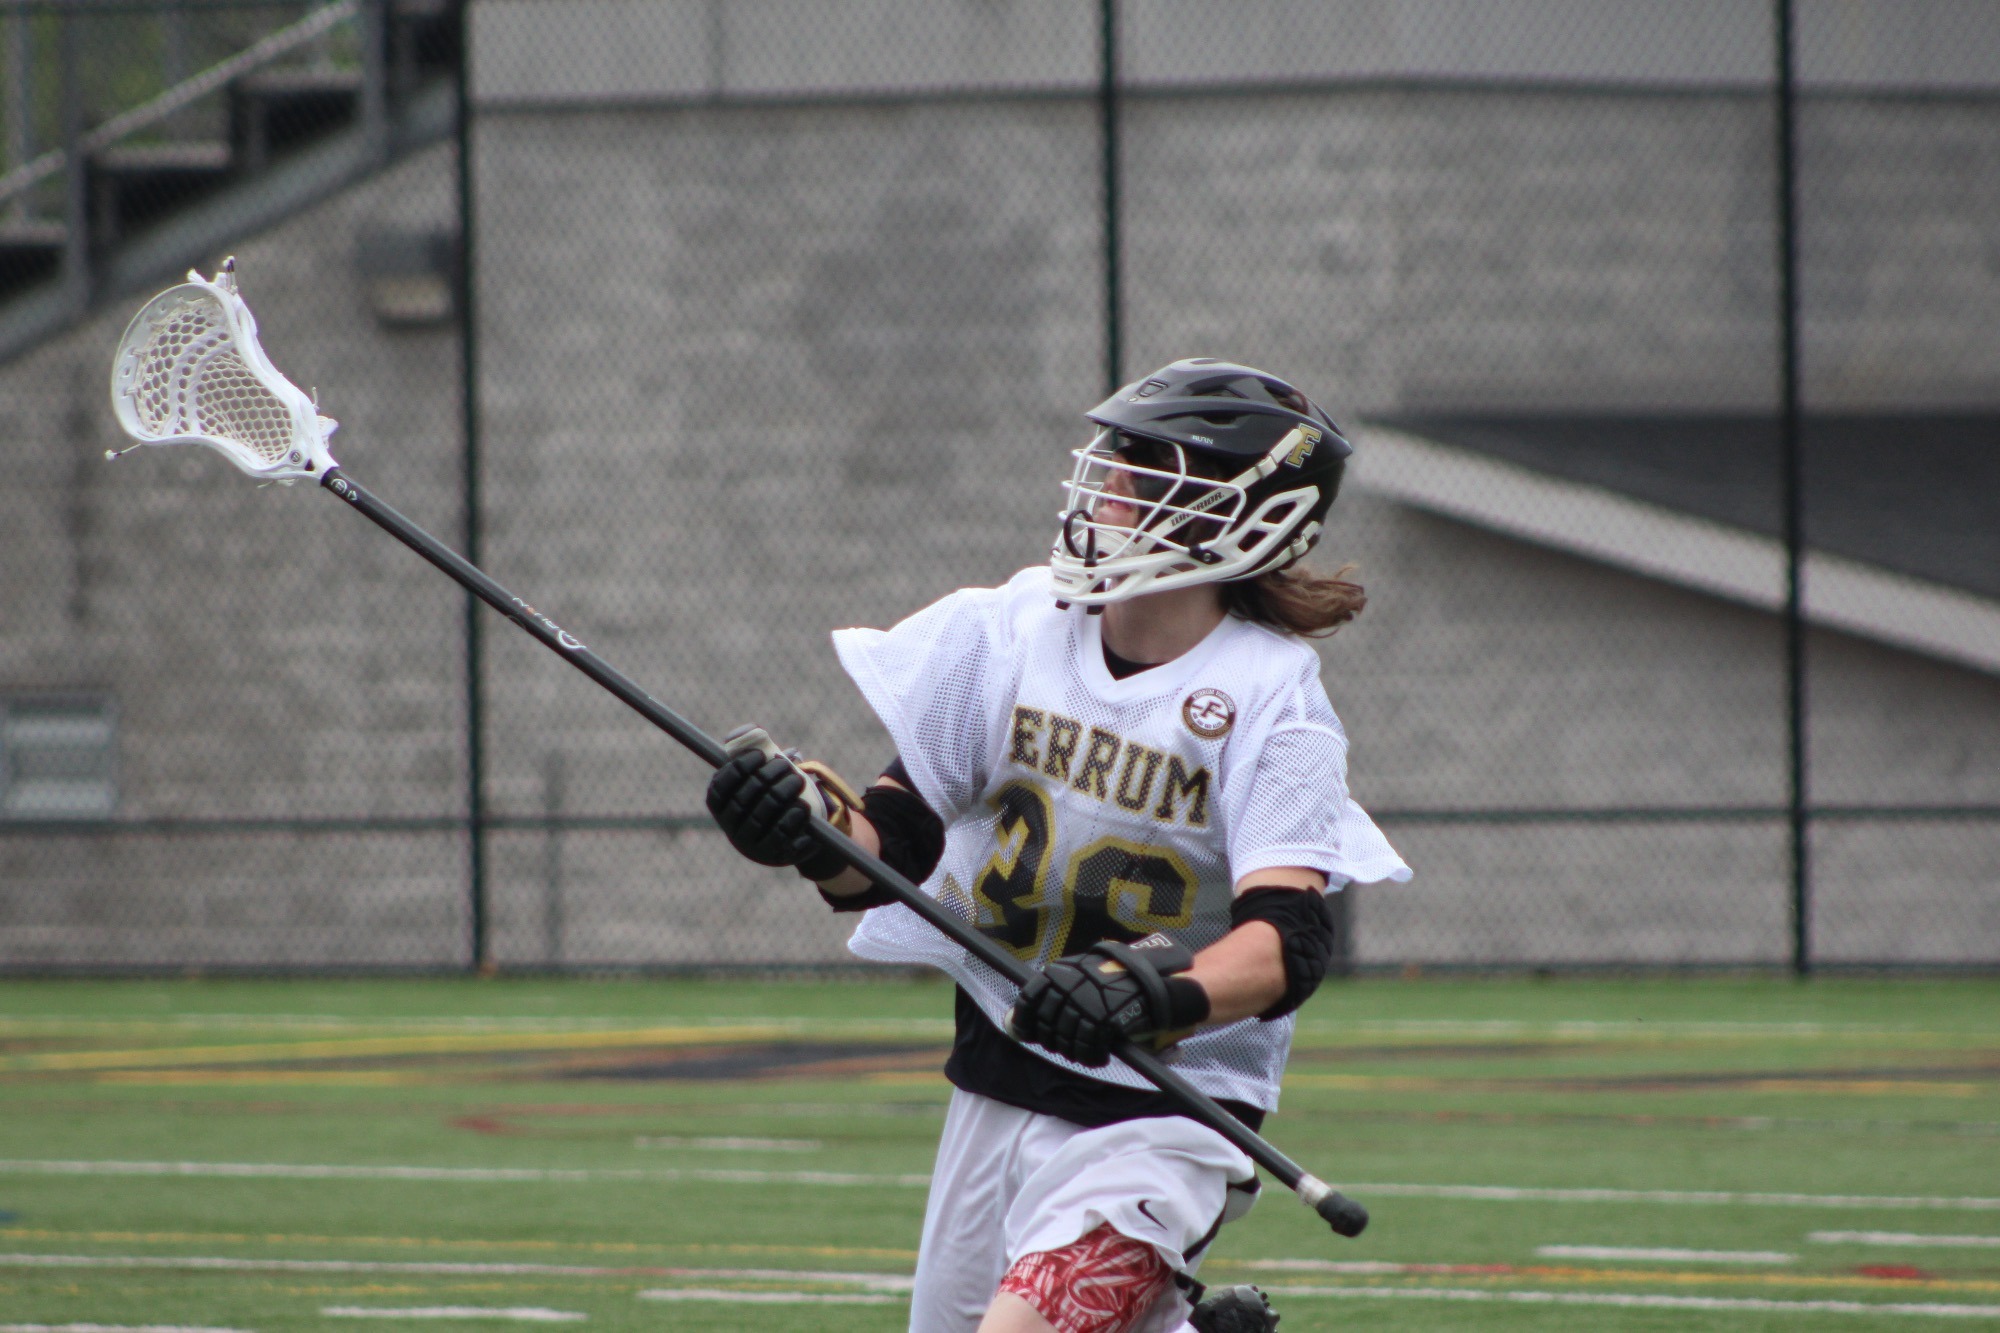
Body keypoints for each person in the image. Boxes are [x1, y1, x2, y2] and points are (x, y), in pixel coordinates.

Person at [706, 358, 1410, 1333]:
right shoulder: (1013, 628)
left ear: (1235, 511)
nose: (1109, 480)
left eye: (1145, 463)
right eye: (1112, 455)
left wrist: (1148, 991)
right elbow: (892, 843)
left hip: (1163, 1111)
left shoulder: (1268, 699)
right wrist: (801, 831)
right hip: (998, 1067)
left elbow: (1284, 942)